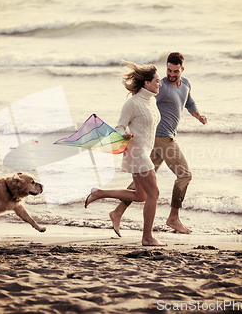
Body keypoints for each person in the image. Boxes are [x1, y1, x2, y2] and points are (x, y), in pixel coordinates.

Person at [109, 52, 207, 237]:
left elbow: (189, 103)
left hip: (158, 140)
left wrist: (198, 115)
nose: (171, 74)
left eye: (175, 71)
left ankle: (118, 212)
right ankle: (173, 217)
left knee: (144, 181)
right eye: (168, 70)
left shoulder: (185, 84)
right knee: (184, 174)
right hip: (161, 138)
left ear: (182, 69)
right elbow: (142, 99)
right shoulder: (159, 86)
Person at [84, 61, 166, 247]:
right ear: (146, 83)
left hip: (145, 150)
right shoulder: (132, 103)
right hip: (137, 153)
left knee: (140, 196)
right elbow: (120, 126)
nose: (159, 84)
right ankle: (147, 237)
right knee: (154, 193)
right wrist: (124, 134)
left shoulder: (151, 100)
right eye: (157, 81)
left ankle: (99, 192)